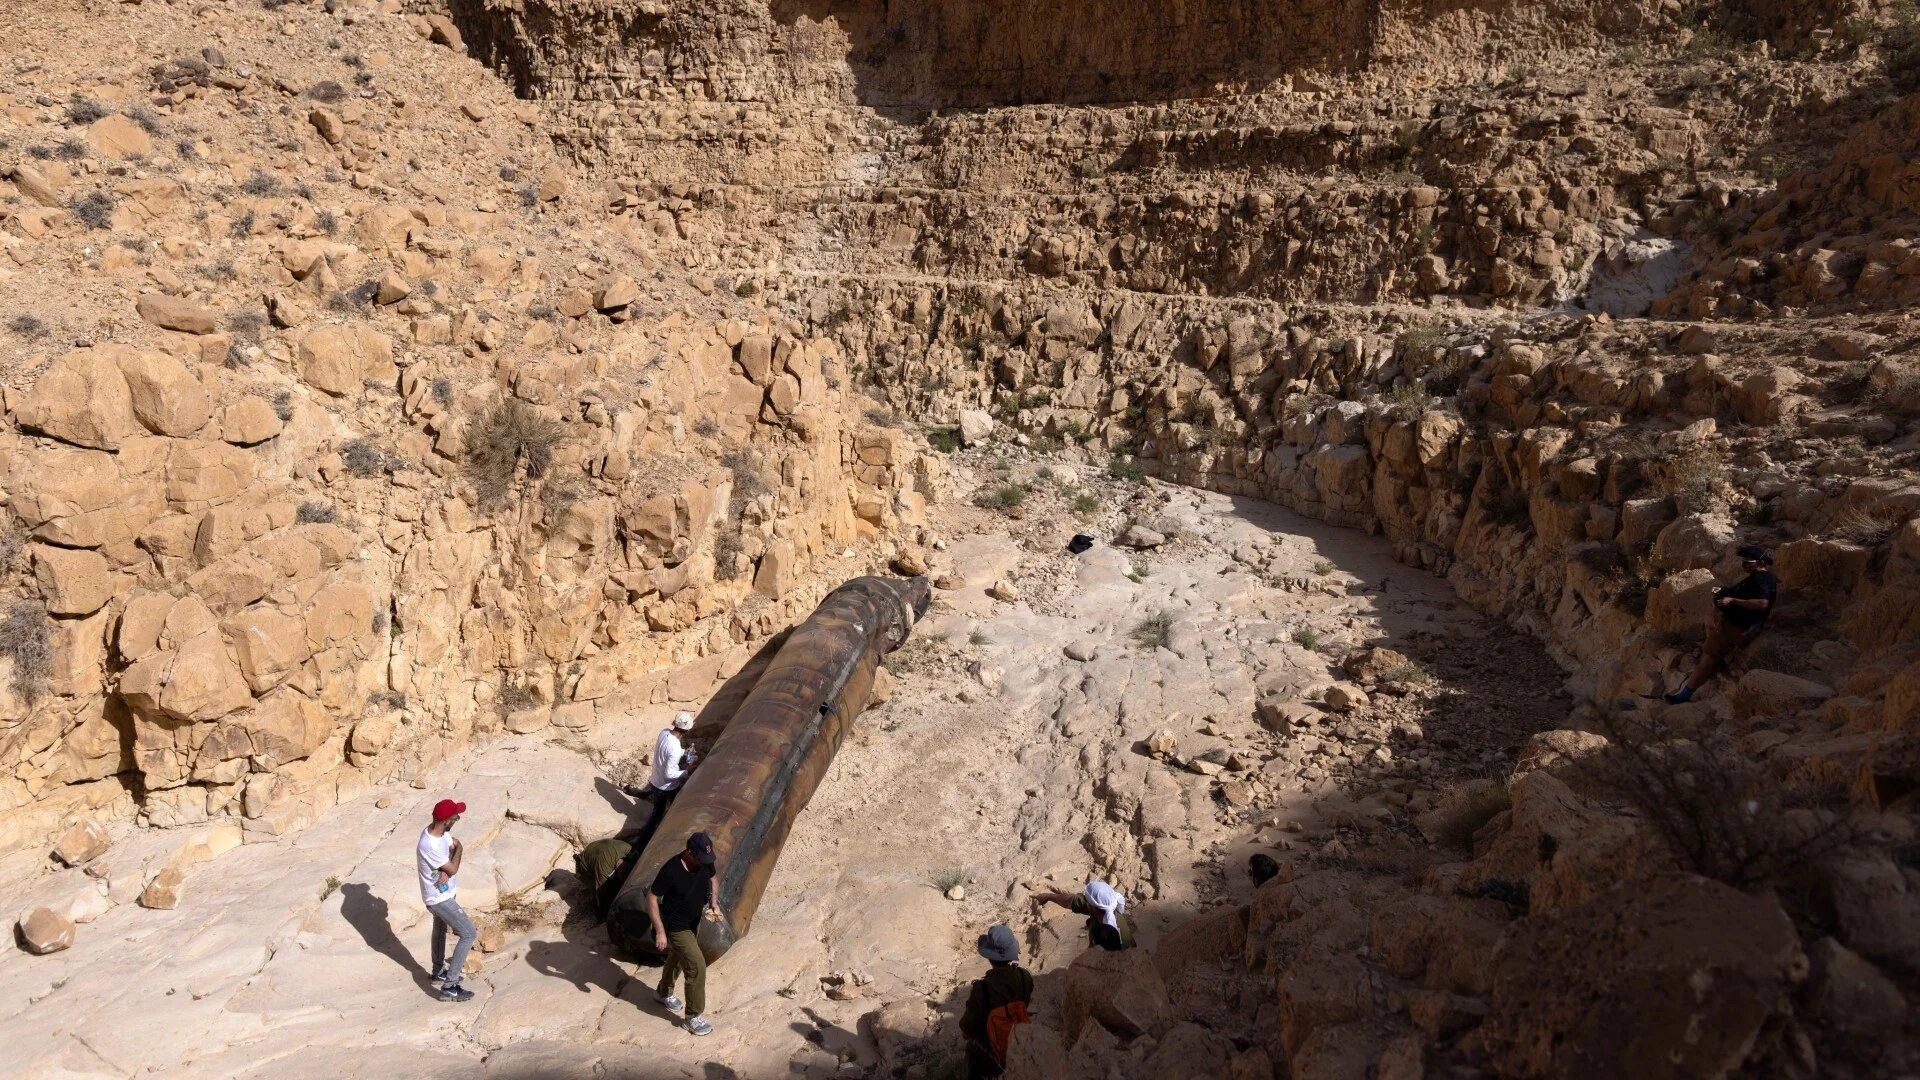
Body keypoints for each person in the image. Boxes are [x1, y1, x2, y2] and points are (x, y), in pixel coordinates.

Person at [1666, 546, 1779, 704]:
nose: (1744, 565)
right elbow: (1745, 594)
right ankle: (1715, 654)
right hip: (1732, 622)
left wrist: (1732, 600)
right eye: (1743, 562)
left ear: (1760, 563)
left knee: (1706, 660)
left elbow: (1762, 603)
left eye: (1748, 562)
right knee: (1709, 620)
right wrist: (1724, 592)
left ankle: (1684, 695)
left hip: (1734, 626)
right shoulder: (1759, 577)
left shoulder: (1761, 578)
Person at [647, 831, 723, 1037]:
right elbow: (652, 898)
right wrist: (660, 932)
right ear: (689, 853)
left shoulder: (704, 861)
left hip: (693, 922)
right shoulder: (671, 870)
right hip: (675, 926)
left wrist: (714, 902)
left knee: (678, 957)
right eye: (701, 858)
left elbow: (713, 878)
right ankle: (692, 1018)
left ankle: (663, 992)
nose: (705, 863)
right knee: (696, 966)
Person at [417, 798, 478, 1002]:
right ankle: (449, 987)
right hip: (438, 899)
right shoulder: (429, 844)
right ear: (446, 821)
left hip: (445, 892)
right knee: (468, 933)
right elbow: (453, 865)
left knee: (440, 929)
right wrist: (459, 850)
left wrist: (445, 868)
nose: (457, 820)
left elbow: (449, 852)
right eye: (455, 818)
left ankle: (438, 971)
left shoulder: (439, 832)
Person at [959, 925, 1034, 1080]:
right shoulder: (1024, 977)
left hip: (992, 1050)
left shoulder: (982, 989)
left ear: (989, 957)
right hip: (1019, 1038)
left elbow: (967, 1029)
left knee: (972, 1049)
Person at [632, 712, 699, 851]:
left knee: (657, 811)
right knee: (661, 814)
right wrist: (687, 772)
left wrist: (684, 752)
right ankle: (642, 845)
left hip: (655, 780)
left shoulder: (664, 732)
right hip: (666, 788)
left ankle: (643, 841)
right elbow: (669, 774)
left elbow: (667, 751)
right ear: (686, 730)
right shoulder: (674, 747)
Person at [1033, 880, 1135, 951]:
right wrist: (1047, 896)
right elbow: (1070, 900)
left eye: (1086, 899)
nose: (1084, 900)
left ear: (1093, 906)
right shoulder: (1103, 907)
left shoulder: (1118, 938)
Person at [575, 836, 638, 919]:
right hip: (584, 864)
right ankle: (595, 911)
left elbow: (638, 857)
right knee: (599, 892)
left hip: (598, 848)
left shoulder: (627, 848)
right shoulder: (603, 869)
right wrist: (603, 914)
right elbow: (600, 891)